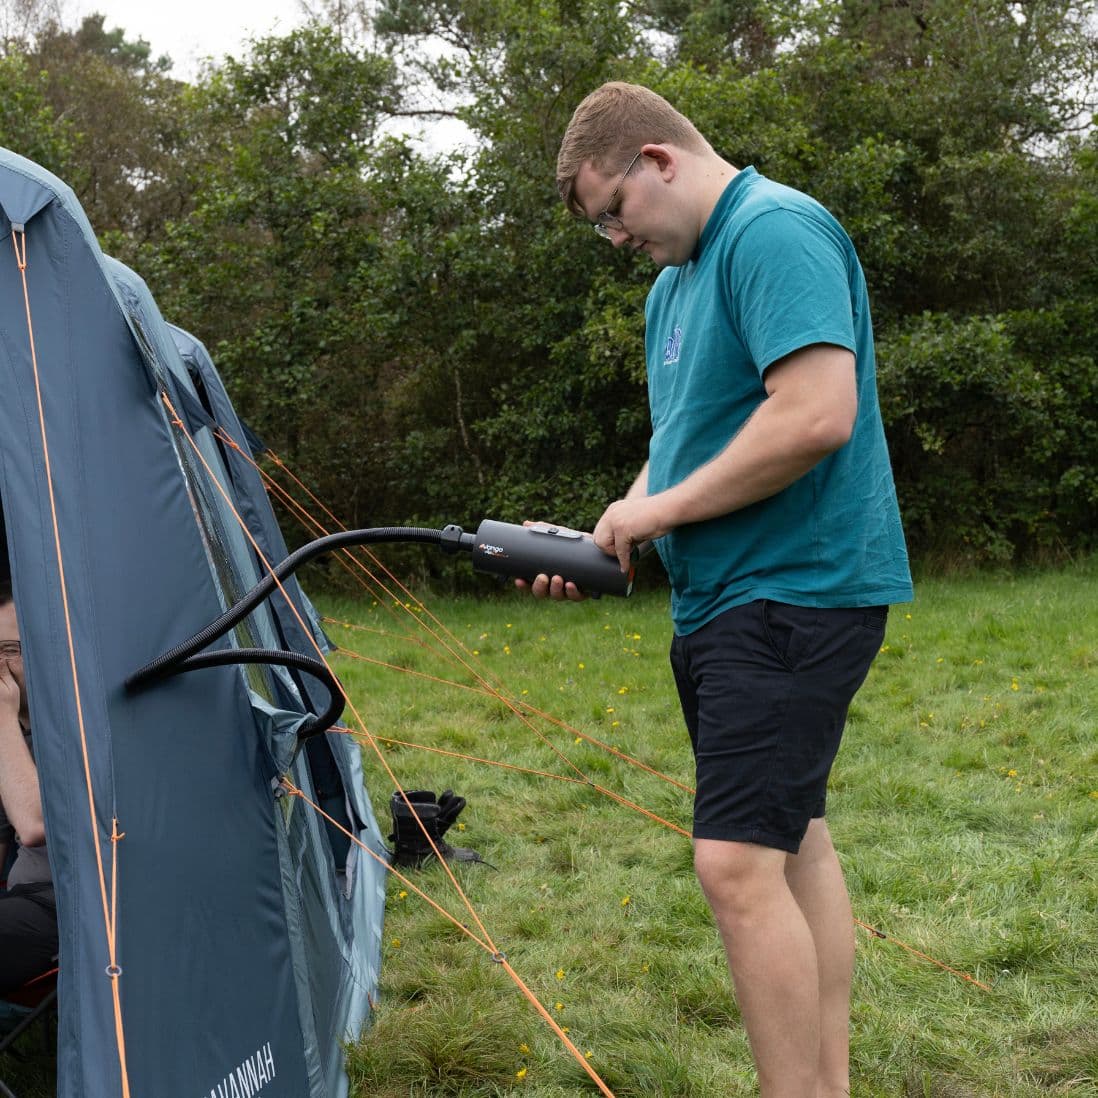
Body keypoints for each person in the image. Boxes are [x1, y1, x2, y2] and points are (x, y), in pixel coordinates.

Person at [524, 82, 913, 1097]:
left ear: (657, 160)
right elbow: (686, 447)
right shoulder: (673, 290)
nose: (615, 239)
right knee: (791, 842)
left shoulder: (773, 231)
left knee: (735, 866)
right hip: (722, 600)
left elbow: (816, 414)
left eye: (614, 211)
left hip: (797, 590)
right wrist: (620, 522)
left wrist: (658, 513)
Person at [0, 577, 56, 995]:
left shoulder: (77, 733)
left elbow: (36, 826)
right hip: (19, 899)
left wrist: (1, 716)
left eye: (10, 650)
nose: (0, 666)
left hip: (69, 907)